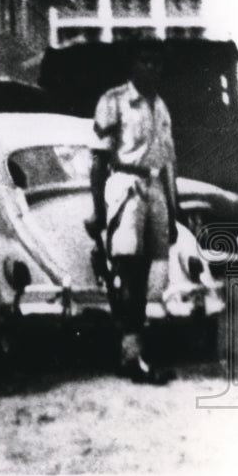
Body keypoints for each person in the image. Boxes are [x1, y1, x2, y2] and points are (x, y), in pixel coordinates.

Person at [89, 40, 179, 385]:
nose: (152, 67)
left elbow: (168, 163)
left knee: (150, 273)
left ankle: (133, 353)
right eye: (145, 60)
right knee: (129, 270)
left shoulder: (161, 106)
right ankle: (131, 356)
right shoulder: (114, 101)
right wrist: (99, 211)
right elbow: (99, 161)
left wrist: (173, 210)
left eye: (157, 62)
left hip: (155, 190)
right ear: (132, 65)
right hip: (126, 186)